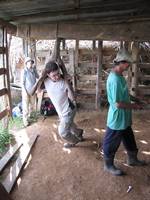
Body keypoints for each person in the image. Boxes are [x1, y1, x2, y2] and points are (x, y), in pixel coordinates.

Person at [103, 48, 146, 176]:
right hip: (117, 117)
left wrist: (135, 99)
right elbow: (117, 103)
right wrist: (134, 106)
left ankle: (132, 158)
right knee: (111, 141)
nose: (129, 65)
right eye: (127, 63)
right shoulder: (115, 80)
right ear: (121, 62)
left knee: (128, 137)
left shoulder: (119, 75)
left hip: (124, 116)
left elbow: (124, 94)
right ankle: (108, 165)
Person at [43, 61, 84, 148]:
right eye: (54, 75)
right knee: (69, 124)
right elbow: (35, 89)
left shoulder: (64, 82)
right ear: (48, 75)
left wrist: (68, 83)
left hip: (69, 110)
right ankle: (78, 132)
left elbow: (72, 98)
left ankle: (75, 141)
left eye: (58, 73)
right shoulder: (46, 81)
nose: (57, 76)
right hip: (61, 111)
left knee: (63, 132)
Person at [21, 57, 39, 127]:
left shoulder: (33, 70)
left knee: (32, 105)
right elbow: (22, 83)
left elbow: (38, 77)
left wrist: (36, 70)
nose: (30, 64)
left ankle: (30, 117)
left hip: (33, 91)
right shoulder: (24, 71)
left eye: (31, 62)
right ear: (26, 63)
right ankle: (25, 121)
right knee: (25, 106)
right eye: (29, 62)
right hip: (25, 91)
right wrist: (25, 91)